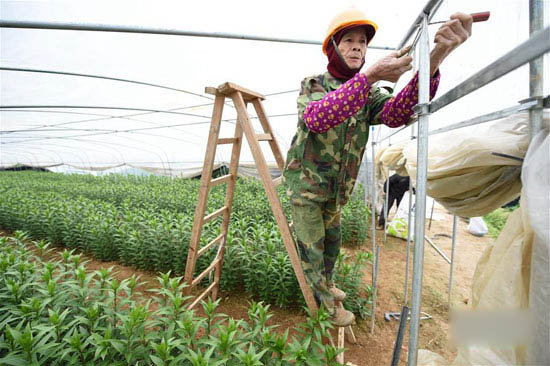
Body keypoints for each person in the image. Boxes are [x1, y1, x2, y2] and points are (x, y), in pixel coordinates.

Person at [282, 8, 473, 327]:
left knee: (331, 244)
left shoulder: (367, 94)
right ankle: (324, 308)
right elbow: (316, 118)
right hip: (307, 189)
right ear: (333, 47)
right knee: (312, 250)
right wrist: (369, 76)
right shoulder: (314, 84)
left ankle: (327, 285)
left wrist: (437, 56)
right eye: (348, 41)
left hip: (336, 194)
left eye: (362, 42)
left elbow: (398, 112)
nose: (358, 47)